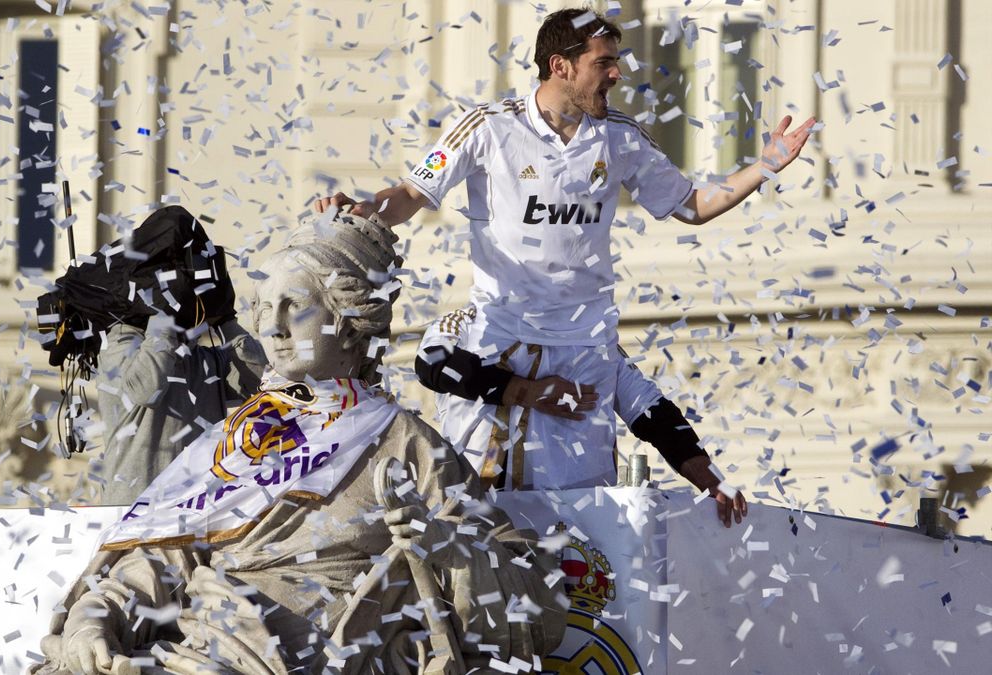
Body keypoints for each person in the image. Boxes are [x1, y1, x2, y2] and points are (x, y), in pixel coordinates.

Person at [314, 8, 815, 527]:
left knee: (582, 542)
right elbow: (414, 194)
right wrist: (364, 209)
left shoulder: (620, 137)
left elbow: (692, 206)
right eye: (605, 63)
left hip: (584, 338)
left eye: (617, 62)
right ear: (561, 65)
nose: (618, 74)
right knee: (474, 532)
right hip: (504, 327)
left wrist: (764, 167)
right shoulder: (489, 128)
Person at [34, 214, 565, 675]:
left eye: (295, 305)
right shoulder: (239, 436)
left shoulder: (407, 443)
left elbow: (537, 613)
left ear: (350, 322)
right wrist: (95, 619)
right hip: (203, 645)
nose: (273, 326)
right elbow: (163, 562)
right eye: (265, 306)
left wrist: (448, 548)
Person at [417, 304, 718, 497]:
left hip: (583, 524)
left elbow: (651, 411)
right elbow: (430, 363)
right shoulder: (468, 323)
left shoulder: (593, 338)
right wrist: (525, 392)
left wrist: (714, 485)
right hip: (481, 516)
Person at [94, 210, 266, 505]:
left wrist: (225, 319)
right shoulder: (119, 341)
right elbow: (146, 387)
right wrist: (164, 313)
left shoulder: (199, 356)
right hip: (136, 516)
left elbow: (261, 379)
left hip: (196, 513)